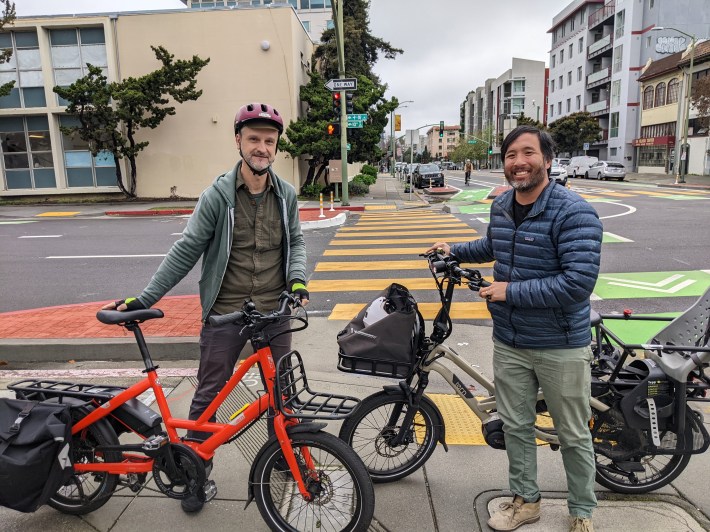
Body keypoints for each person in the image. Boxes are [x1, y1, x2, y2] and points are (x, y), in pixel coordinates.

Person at [104, 102, 309, 514]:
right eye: (254, 139)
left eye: (269, 141)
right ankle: (193, 471)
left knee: (283, 390)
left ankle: (285, 456)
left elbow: (297, 242)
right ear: (238, 141)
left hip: (274, 310)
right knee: (210, 394)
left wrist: (298, 280)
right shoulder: (218, 196)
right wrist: (146, 299)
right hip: (226, 311)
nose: (262, 147)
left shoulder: (285, 194)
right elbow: (186, 250)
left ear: (276, 147)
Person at [427, 125, 602, 532]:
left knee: (572, 433)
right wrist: (454, 250)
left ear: (548, 160)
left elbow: (578, 283)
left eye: (528, 153)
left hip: (560, 343)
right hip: (509, 340)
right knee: (517, 427)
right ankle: (526, 501)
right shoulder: (503, 204)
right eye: (511, 155)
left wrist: (510, 291)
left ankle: (582, 512)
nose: (518, 162)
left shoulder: (573, 212)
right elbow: (494, 246)